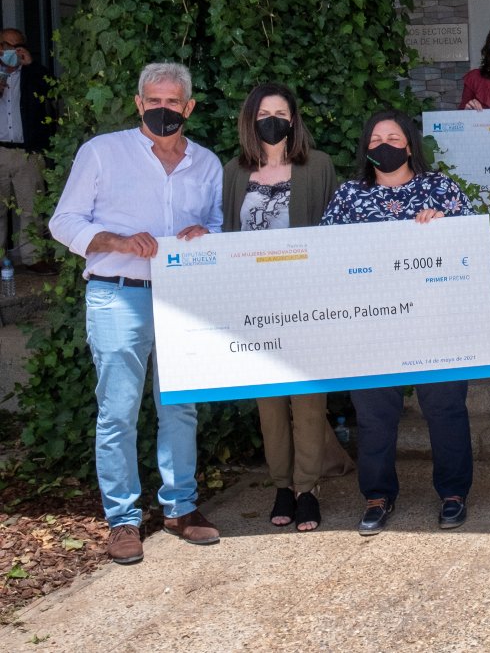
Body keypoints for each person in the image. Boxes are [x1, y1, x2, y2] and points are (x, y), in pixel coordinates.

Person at [49, 62, 223, 565]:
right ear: (138, 103)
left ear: (188, 107)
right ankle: (123, 520)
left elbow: (214, 221)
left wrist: (205, 233)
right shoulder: (102, 152)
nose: (162, 110)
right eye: (154, 100)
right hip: (117, 293)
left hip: (182, 298)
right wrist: (120, 242)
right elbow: (64, 222)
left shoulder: (207, 163)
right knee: (118, 411)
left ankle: (180, 509)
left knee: (181, 406)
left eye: (173, 102)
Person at [321, 110, 476, 536]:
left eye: (393, 136)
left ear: (409, 144)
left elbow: (476, 243)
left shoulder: (439, 187)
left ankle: (453, 492)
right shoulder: (349, 194)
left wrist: (447, 226)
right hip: (372, 324)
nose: (384, 144)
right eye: (375, 139)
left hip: (436, 322)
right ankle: (377, 495)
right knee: (373, 415)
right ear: (365, 148)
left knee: (445, 408)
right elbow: (327, 254)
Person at [222, 83, 353, 532]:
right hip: (254, 301)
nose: (273, 120)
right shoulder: (235, 171)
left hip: (307, 299)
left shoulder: (317, 167)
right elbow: (225, 232)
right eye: (264, 112)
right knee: (270, 400)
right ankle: (281, 484)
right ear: (250, 119)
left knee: (309, 398)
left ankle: (308, 488)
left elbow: (336, 232)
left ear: (294, 120)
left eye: (281, 112)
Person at [0, 28, 55, 273]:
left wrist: (31, 66)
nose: (10, 51)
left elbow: (50, 93)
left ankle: (33, 258)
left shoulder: (34, 74)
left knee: (32, 207)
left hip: (28, 152)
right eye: (5, 45)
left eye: (16, 46)